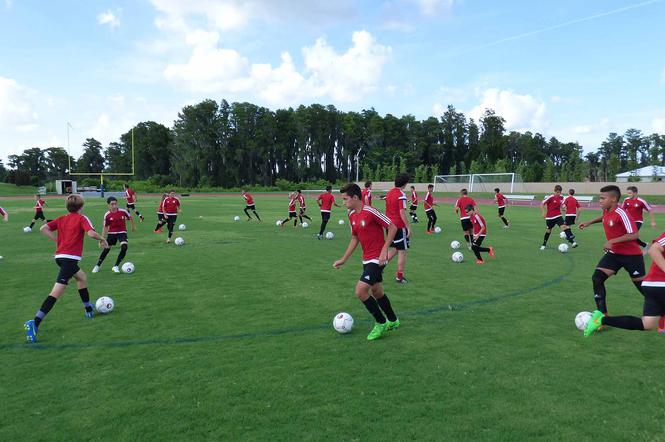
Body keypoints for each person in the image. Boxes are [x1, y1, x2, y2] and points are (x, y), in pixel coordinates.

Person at [23, 194, 108, 343]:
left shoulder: (62, 218)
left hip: (61, 258)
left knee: (82, 277)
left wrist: (57, 241)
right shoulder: (82, 218)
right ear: (81, 207)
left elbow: (43, 228)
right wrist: (103, 239)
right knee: (55, 293)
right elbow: (91, 233)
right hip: (69, 259)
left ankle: (88, 309)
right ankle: (35, 322)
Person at [333, 183, 400, 341]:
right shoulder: (351, 215)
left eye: (345, 199)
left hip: (377, 258)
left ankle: (380, 322)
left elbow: (392, 227)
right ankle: (393, 320)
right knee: (377, 291)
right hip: (367, 258)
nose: (343, 202)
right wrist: (343, 259)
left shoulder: (370, 211)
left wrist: (385, 249)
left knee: (360, 291)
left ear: (355, 197)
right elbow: (355, 238)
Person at [579, 185, 645, 316]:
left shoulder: (622, 213)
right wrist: (589, 222)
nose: (600, 201)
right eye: (600, 198)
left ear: (614, 199)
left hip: (632, 256)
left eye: (603, 198)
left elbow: (634, 234)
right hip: (614, 255)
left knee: (644, 289)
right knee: (597, 278)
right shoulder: (606, 210)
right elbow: (604, 218)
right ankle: (602, 315)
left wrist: (612, 241)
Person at [584, 231, 665, 336]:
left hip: (653, 285)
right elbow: (653, 249)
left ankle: (602, 320)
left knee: (648, 324)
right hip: (660, 284)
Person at [93, 196, 136, 274]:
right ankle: (98, 265)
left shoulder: (123, 211)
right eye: (112, 204)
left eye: (115, 204)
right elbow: (105, 227)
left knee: (124, 247)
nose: (114, 206)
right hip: (112, 233)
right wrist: (102, 239)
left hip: (122, 232)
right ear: (108, 205)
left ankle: (115, 266)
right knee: (106, 249)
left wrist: (133, 226)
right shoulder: (107, 215)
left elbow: (130, 217)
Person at [385, 173, 411, 283]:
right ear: (405, 183)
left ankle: (378, 266)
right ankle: (400, 277)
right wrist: (408, 227)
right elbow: (401, 212)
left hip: (389, 225)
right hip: (399, 226)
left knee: (395, 248)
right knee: (402, 251)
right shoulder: (401, 194)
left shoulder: (389, 193)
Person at [540, 185, 577, 250]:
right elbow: (542, 203)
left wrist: (563, 208)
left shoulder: (562, 197)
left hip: (558, 216)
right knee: (548, 231)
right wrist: (543, 212)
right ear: (554, 191)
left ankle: (572, 242)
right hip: (550, 218)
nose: (558, 193)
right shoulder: (551, 197)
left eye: (559, 192)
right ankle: (544, 244)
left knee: (564, 227)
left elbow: (562, 205)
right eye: (557, 192)